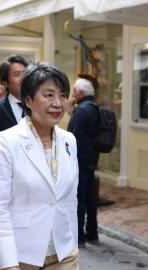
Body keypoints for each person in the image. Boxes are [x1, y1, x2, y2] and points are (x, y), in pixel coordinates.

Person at [0, 62, 79, 270]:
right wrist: (7, 262)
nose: (58, 103)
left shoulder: (69, 140)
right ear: (28, 100)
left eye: (63, 95)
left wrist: (72, 242)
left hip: (61, 250)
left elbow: (69, 198)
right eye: (48, 95)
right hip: (19, 250)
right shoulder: (7, 141)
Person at [67, 78, 100, 248]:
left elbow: (73, 138)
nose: (72, 94)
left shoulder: (81, 111)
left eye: (74, 91)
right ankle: (92, 233)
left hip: (80, 161)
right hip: (91, 159)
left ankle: (79, 237)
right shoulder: (95, 108)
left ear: (80, 93)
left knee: (78, 200)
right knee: (90, 200)